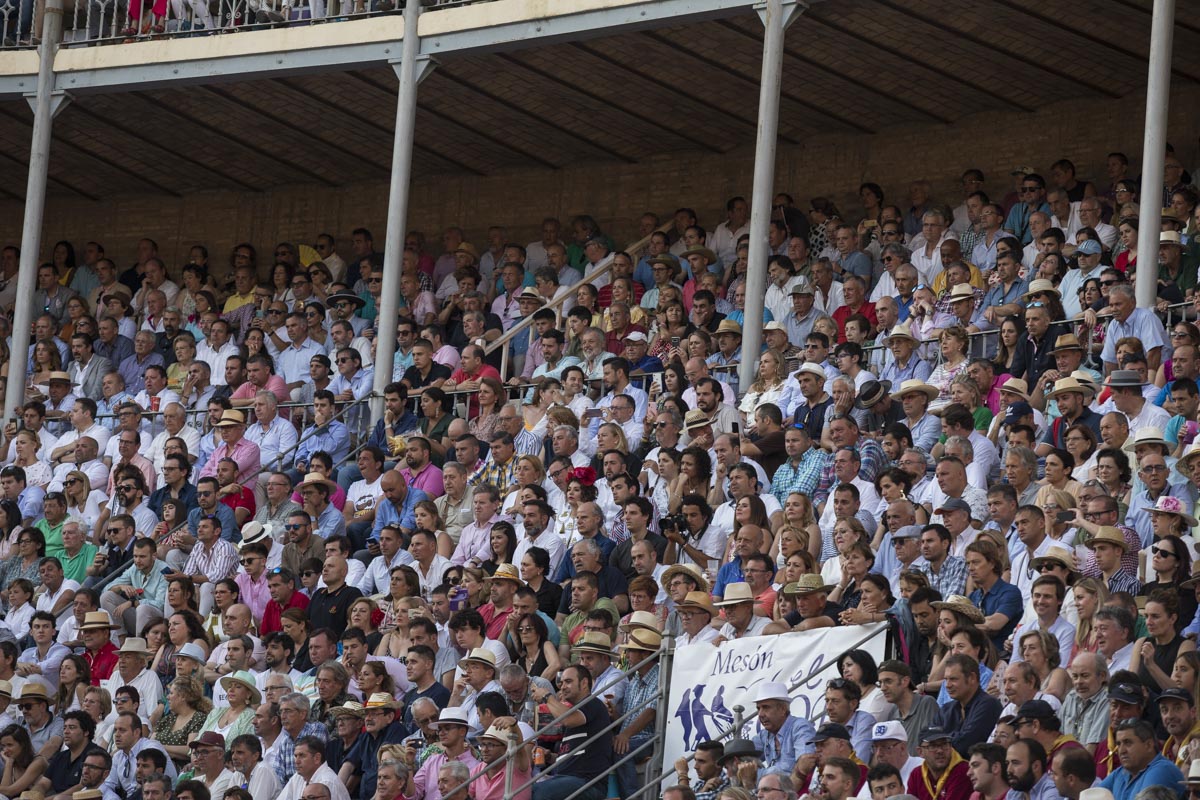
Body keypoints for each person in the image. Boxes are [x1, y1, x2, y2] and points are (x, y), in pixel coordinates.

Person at [1098, 718, 1184, 800]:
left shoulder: (1163, 770)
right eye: (1119, 744)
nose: (1121, 751)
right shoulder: (1120, 772)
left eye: (1128, 743)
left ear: (1149, 745)